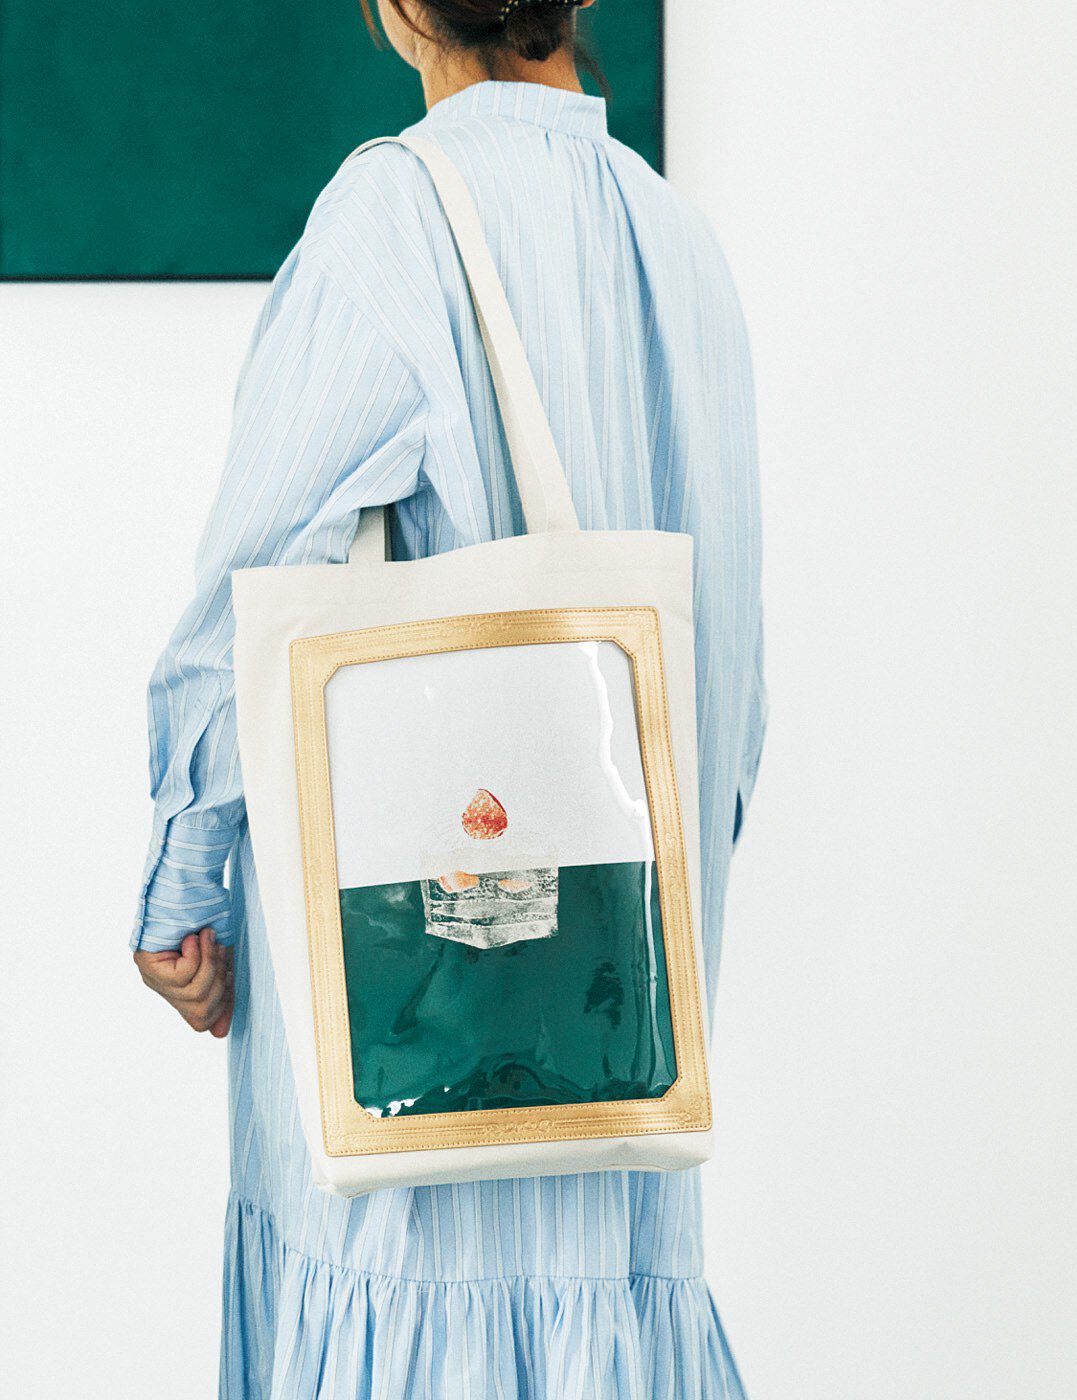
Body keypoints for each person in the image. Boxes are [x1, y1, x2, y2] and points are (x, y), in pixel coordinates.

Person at [129, 1, 766, 1393]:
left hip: (413, 1081)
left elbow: (251, 602)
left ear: (401, 6)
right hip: (626, 1032)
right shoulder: (683, 243)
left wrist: (184, 880)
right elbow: (727, 683)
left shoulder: (390, 223)